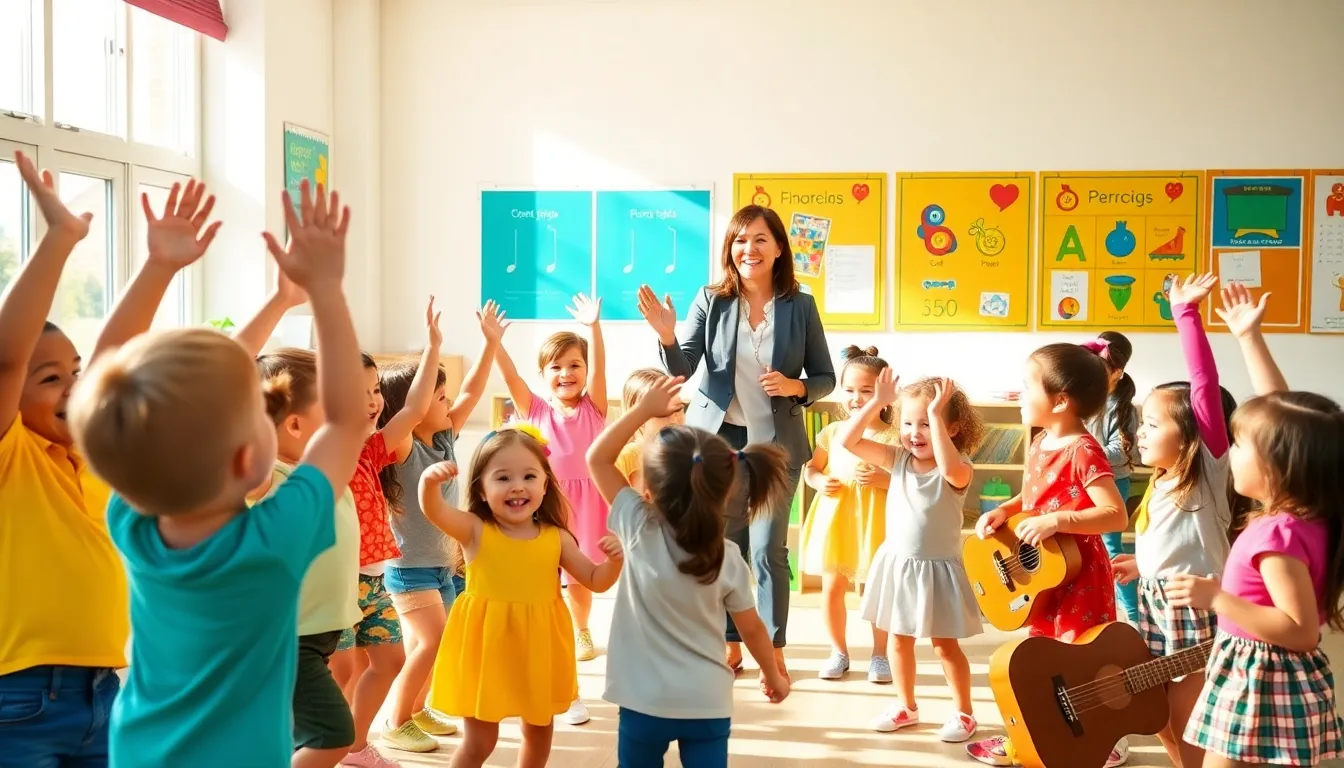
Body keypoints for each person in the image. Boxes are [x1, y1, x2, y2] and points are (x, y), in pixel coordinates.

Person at [67, 180, 368, 767]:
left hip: (138, 754)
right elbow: (350, 421)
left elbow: (111, 384)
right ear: (244, 458)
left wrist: (158, 269)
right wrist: (326, 290)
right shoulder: (272, 541)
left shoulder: (132, 521)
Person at [637, 204, 836, 679]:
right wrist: (666, 337)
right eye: (740, 239)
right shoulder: (711, 301)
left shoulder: (800, 305)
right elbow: (684, 371)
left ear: (779, 248)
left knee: (769, 550)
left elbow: (825, 376)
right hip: (720, 442)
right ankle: (730, 640)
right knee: (728, 546)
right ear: (731, 248)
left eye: (761, 239)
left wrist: (796, 386)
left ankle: (774, 648)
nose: (750, 248)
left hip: (777, 445)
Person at [1169, 282, 1344, 767]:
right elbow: (1282, 414)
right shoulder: (1311, 507)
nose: (1232, 451)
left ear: (1278, 466)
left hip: (1261, 672)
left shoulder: (1277, 535)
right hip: (1262, 666)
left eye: (1240, 446)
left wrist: (1218, 598)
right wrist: (1249, 337)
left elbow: (1299, 628)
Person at [586, 373, 790, 767]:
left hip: (642, 699)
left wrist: (641, 411)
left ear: (648, 489)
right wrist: (773, 675)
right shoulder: (728, 555)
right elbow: (751, 628)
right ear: (725, 489)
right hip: (707, 700)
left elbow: (597, 458)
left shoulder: (637, 524)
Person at [0, 151, 129, 767]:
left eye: (74, 372)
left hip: (103, 690)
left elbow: (114, 352)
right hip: (20, 698)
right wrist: (58, 241)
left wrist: (158, 264)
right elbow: (6, 357)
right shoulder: (12, 456)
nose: (75, 386)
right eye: (49, 377)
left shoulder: (89, 458)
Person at [417, 424, 623, 768]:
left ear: (545, 484)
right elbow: (435, 511)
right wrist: (428, 484)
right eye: (502, 478)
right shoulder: (474, 529)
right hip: (487, 651)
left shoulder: (556, 537)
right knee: (481, 741)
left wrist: (615, 561)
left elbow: (595, 579)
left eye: (529, 476)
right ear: (481, 490)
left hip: (538, 650)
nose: (517, 486)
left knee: (539, 737)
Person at [966, 341, 1130, 767]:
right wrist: (1003, 511)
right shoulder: (1040, 442)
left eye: (1027, 385)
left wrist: (1058, 522)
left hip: (1080, 576)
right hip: (1044, 577)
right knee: (1040, 659)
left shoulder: (1084, 450)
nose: (1019, 393)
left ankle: (1103, 738)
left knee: (1079, 659)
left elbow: (1115, 515)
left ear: (1060, 401)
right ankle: (1033, 737)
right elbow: (1031, 498)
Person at [236, 261, 360, 768]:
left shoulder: (317, 477)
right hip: (286, 639)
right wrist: (289, 300)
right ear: (289, 425)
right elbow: (218, 382)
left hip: (316, 634)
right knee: (333, 733)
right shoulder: (269, 479)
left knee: (290, 734)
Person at [1109, 274, 1233, 768]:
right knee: (1158, 707)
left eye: (1154, 424)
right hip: (1157, 601)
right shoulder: (1160, 483)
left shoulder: (1205, 475)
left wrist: (1186, 313)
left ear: (1192, 435)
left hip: (1195, 603)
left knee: (1186, 705)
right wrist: (1141, 566)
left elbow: (1203, 384)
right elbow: (1169, 543)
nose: (1140, 432)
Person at [377, 300, 503, 747]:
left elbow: (473, 390)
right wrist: (432, 347)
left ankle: (417, 709)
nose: (446, 400)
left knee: (434, 646)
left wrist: (491, 344)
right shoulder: (403, 445)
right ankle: (395, 722)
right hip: (408, 568)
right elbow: (413, 404)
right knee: (433, 641)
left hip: (442, 565)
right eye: (438, 394)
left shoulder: (446, 433)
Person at [845, 373, 986, 742]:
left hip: (938, 570)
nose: (915, 432)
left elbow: (952, 469)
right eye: (908, 423)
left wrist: (936, 416)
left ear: (952, 427)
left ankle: (965, 713)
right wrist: (877, 402)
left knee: (944, 646)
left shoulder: (957, 468)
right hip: (899, 565)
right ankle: (906, 706)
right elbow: (849, 440)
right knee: (898, 639)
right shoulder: (898, 459)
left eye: (927, 423)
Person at [490, 291, 608, 725]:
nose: (566, 373)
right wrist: (494, 342)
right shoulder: (534, 408)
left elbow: (600, 366)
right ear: (543, 374)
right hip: (549, 507)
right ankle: (553, 662)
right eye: (556, 367)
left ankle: (581, 628)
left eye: (575, 364)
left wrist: (592, 329)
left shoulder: (595, 407)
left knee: (581, 580)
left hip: (588, 506)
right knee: (546, 583)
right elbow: (509, 375)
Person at [797, 345, 898, 683]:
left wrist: (885, 479)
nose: (857, 398)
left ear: (885, 394)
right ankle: (838, 651)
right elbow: (811, 469)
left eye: (867, 391)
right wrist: (818, 479)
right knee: (832, 588)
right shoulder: (832, 432)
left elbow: (911, 482)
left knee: (877, 592)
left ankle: (880, 655)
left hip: (876, 524)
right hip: (837, 521)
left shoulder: (896, 437)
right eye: (850, 390)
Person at [1087, 330, 1140, 623]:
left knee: (1111, 551)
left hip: (1110, 483)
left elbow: (1122, 453)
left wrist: (1084, 455)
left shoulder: (1122, 409)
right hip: (1080, 484)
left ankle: (1132, 618)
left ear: (1117, 373)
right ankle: (1095, 615)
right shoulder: (1082, 401)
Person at [614, 367, 685, 493]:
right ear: (636, 417)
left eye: (678, 409)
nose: (675, 419)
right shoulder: (625, 458)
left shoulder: (686, 453)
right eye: (663, 413)